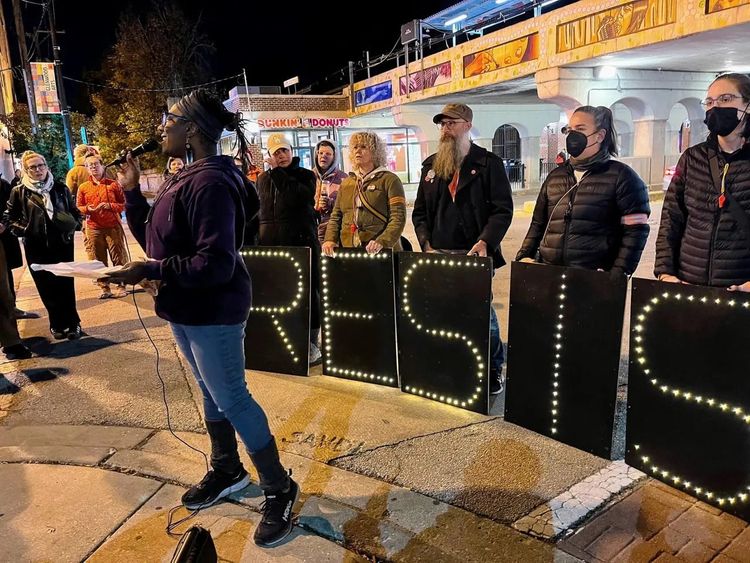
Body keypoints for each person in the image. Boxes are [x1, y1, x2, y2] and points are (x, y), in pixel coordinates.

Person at [109, 89, 299, 547]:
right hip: (185, 307)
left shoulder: (211, 183)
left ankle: (279, 487)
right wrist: (133, 193)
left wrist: (151, 271)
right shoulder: (185, 177)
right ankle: (227, 468)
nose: (161, 127)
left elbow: (216, 263)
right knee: (211, 393)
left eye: (169, 119)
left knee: (232, 397)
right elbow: (155, 241)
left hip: (213, 309)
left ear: (192, 130)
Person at [412, 103, 514, 395]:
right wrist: (426, 244)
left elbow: (502, 210)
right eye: (442, 124)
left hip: (474, 255)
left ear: (467, 125)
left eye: (451, 123)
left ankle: (494, 369)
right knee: (443, 316)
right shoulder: (431, 166)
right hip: (438, 255)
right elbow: (419, 213)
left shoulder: (488, 164)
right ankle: (452, 365)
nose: (445, 129)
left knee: (482, 317)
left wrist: (486, 241)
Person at [516, 105, 650, 277]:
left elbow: (636, 231)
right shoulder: (555, 177)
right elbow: (538, 224)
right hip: (550, 274)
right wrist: (524, 256)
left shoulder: (623, 177)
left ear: (600, 136)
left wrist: (618, 273)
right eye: (569, 130)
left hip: (594, 279)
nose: (572, 135)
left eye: (580, 129)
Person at [656, 73, 750, 290]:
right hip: (689, 285)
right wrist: (665, 272)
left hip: (741, 289)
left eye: (725, 99)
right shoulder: (691, 159)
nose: (715, 107)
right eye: (709, 102)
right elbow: (671, 218)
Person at [255, 133, 322, 365]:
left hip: (302, 245)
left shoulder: (305, 175)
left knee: (308, 294)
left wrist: (277, 172)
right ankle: (285, 339)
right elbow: (259, 211)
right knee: (280, 296)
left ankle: (312, 342)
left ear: (291, 152)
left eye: (284, 151)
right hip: (274, 248)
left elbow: (297, 197)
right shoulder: (262, 179)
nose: (281, 156)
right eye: (276, 152)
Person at [4, 151, 83, 340]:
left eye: (40, 165)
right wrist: (26, 229)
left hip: (63, 245)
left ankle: (73, 323)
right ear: (26, 170)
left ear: (46, 166)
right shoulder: (19, 191)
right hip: (36, 247)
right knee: (46, 287)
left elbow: (75, 211)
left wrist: (75, 225)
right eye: (33, 167)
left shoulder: (60, 188)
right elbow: (9, 217)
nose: (38, 170)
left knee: (65, 285)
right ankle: (57, 324)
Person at [322, 131, 406, 255]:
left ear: (375, 151)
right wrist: (330, 239)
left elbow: (398, 217)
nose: (358, 151)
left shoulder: (390, 180)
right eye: (355, 147)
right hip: (350, 250)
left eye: (363, 147)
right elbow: (336, 216)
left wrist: (383, 241)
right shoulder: (347, 182)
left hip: (381, 251)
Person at [76, 153, 129, 299]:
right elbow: (78, 207)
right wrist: (88, 209)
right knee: (97, 259)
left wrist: (109, 205)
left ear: (102, 165)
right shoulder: (83, 187)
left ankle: (121, 284)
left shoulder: (113, 185)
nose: (93, 167)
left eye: (96, 164)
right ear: (86, 168)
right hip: (93, 227)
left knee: (118, 255)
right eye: (89, 165)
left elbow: (123, 205)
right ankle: (104, 287)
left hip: (113, 226)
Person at [0, 174, 38, 320]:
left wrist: (4, 223)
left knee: (5, 276)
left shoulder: (3, 185)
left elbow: (11, 210)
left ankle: (11, 308)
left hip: (3, 237)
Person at [313, 140, 348, 244]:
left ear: (334, 157)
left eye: (328, 154)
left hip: (333, 235)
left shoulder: (344, 179)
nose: (323, 156)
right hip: (312, 233)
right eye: (321, 153)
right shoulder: (308, 176)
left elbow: (348, 208)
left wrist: (331, 204)